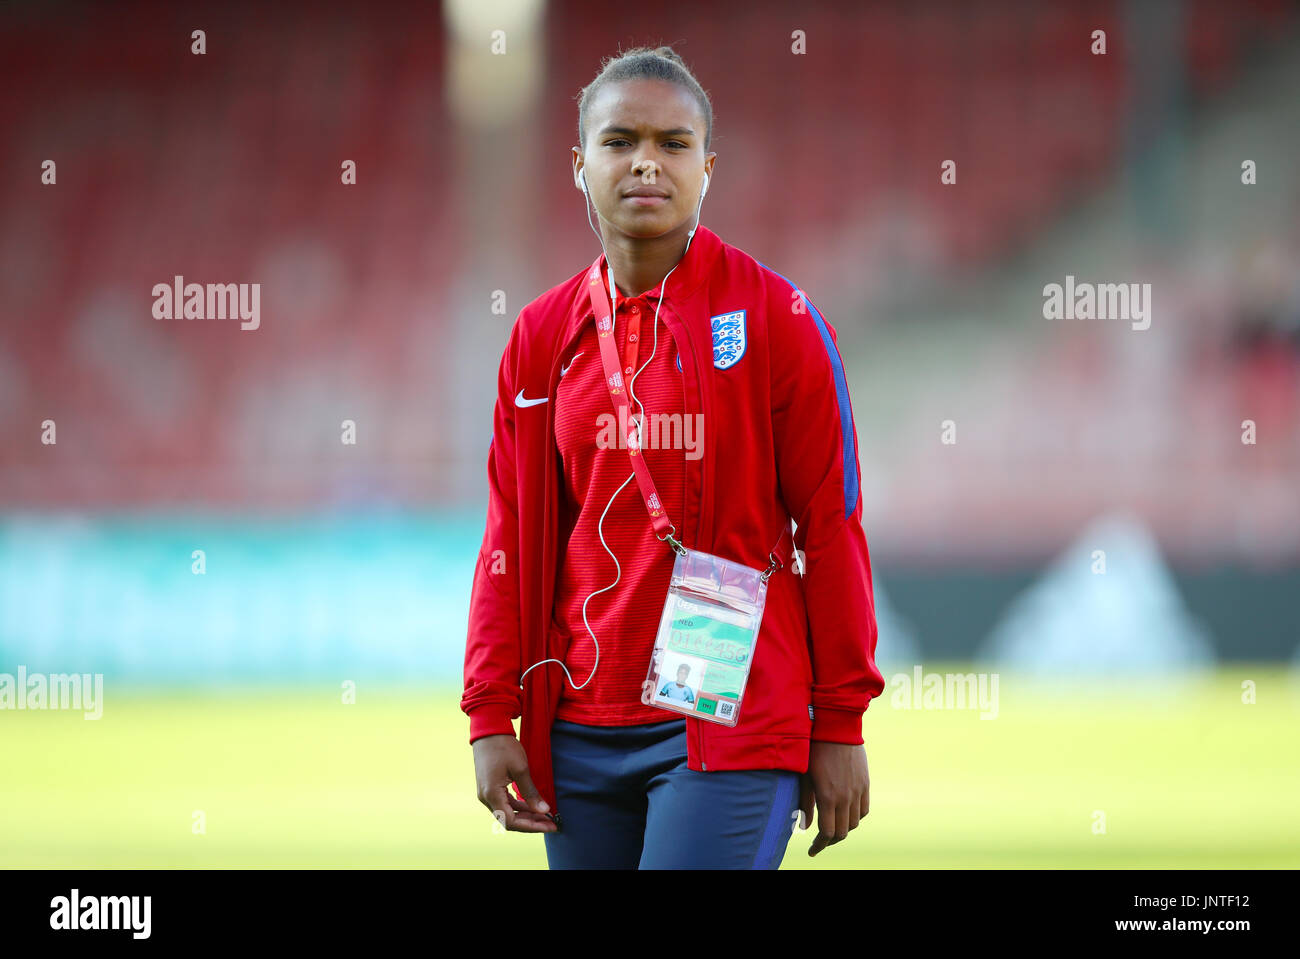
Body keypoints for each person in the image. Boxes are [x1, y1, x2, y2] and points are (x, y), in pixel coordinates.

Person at [462, 45, 884, 869]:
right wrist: (490, 713)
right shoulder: (541, 336)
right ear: (579, 164)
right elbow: (508, 535)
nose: (646, 163)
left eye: (673, 143)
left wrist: (841, 723)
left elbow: (831, 527)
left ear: (708, 166)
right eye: (620, 142)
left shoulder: (775, 317)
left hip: (728, 723)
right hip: (577, 729)